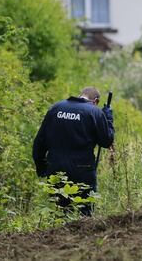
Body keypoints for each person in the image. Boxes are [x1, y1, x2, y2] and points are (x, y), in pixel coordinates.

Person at [32, 87, 114, 216]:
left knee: (61, 213)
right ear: (96, 101)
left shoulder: (56, 108)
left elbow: (40, 141)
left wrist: (41, 165)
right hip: (83, 170)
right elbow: (106, 141)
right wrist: (108, 118)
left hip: (56, 169)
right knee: (85, 214)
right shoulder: (95, 112)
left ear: (80, 95)